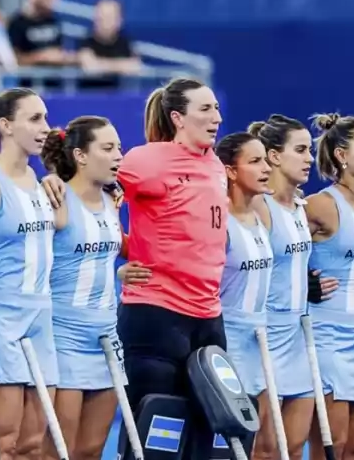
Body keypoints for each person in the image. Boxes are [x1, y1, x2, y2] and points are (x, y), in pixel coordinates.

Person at [116, 77, 227, 460]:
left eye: (216, 108)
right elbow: (93, 197)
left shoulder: (214, 163)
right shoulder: (145, 160)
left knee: (207, 432)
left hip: (208, 317)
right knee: (153, 433)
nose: (217, 117)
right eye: (206, 109)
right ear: (178, 117)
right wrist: (119, 255)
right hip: (157, 314)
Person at [0, 87, 60, 459]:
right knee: (2, 442)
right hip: (0, 317)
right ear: (5, 125)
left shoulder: (42, 185)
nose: (46, 128)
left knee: (34, 444)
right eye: (35, 119)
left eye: (46, 118)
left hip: (42, 315)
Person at [247, 115, 335, 460]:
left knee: (293, 446)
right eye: (300, 150)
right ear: (273, 156)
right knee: (264, 448)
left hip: (298, 335)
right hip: (262, 335)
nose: (309, 158)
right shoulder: (257, 205)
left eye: (309, 151)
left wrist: (308, 281)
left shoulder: (301, 205)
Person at [302, 113, 354, 460]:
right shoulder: (320, 205)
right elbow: (282, 253)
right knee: (330, 448)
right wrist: (304, 283)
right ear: (341, 155)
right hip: (327, 340)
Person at [40, 116, 125, 460]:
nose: (119, 155)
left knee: (91, 450)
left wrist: (123, 273)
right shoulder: (54, 198)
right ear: (80, 155)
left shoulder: (111, 201)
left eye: (119, 147)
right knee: (58, 450)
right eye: (108, 148)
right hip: (64, 334)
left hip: (105, 333)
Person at [214, 132, 280, 456]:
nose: (266, 167)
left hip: (260, 340)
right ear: (230, 171)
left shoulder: (260, 216)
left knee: (256, 445)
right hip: (226, 341)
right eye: (255, 161)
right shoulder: (218, 222)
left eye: (266, 159)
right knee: (227, 449)